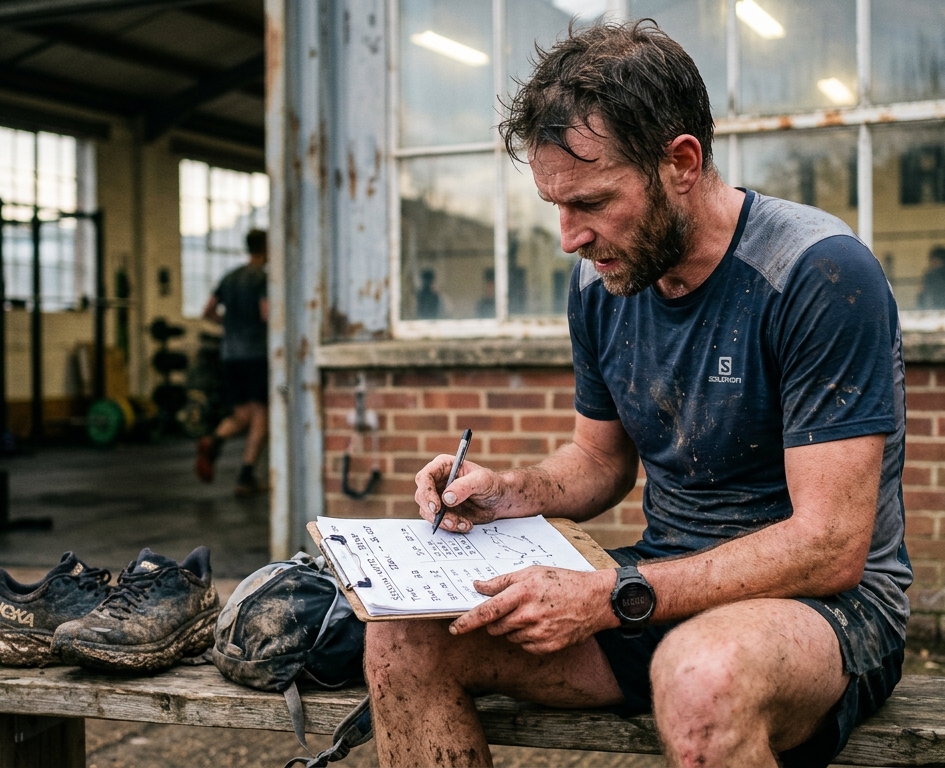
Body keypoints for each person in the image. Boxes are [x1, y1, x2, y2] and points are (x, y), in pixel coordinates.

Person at [368, 22, 908, 768]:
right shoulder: (602, 282)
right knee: (404, 633)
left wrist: (607, 595)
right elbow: (599, 462)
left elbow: (831, 546)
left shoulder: (818, 273)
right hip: (656, 582)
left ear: (681, 162)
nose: (570, 238)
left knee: (701, 678)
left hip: (823, 611)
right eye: (556, 206)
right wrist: (508, 493)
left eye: (591, 202)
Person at [195, 229, 269, 497]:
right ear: (267, 247)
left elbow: (208, 311)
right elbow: (266, 314)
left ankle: (214, 439)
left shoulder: (229, 277)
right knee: (261, 415)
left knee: (242, 415)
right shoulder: (262, 278)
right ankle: (246, 476)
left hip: (230, 355)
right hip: (256, 354)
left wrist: (230, 325)